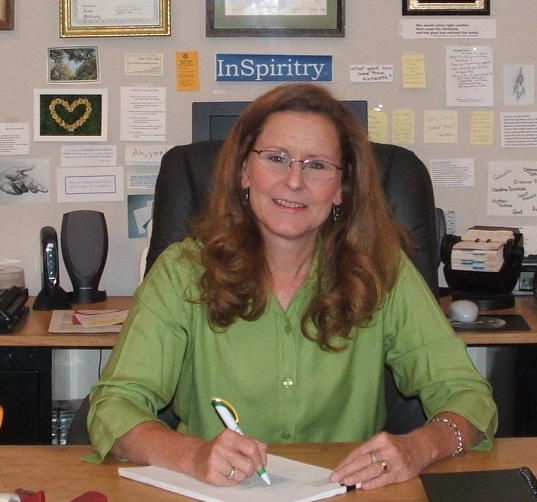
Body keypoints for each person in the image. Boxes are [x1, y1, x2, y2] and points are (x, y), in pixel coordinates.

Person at [87, 82, 497, 490]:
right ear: (244, 172)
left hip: (348, 493)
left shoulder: (382, 271)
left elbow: (467, 395)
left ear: (341, 188)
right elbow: (115, 405)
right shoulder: (183, 272)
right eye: (277, 158)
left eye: (317, 165)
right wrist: (192, 455)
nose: (295, 181)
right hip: (219, 495)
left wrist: (420, 448)